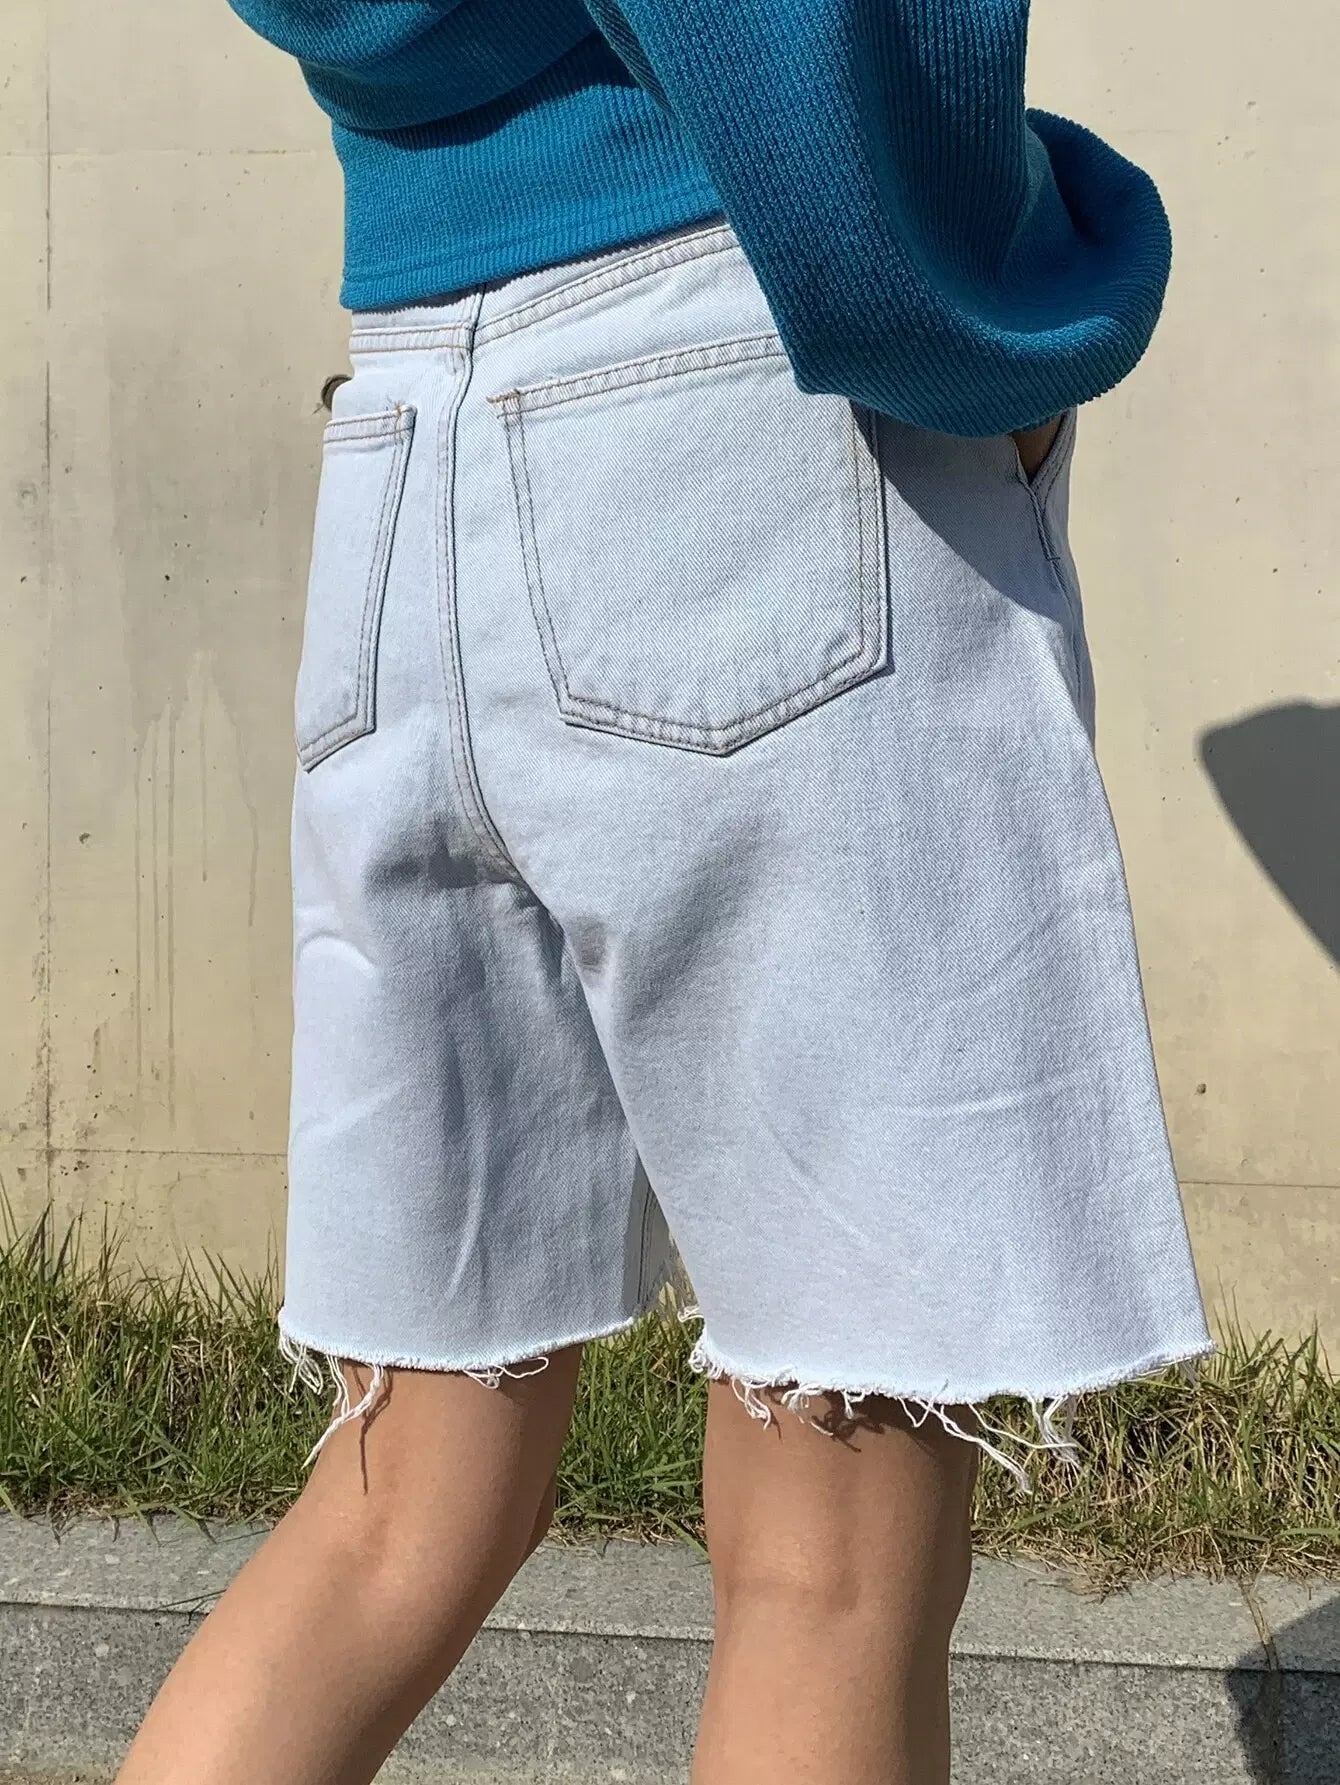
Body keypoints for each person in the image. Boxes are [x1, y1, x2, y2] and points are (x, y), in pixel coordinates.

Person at [118, 4, 1212, 1782]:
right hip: (742, 385)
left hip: (408, 429)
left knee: (399, 1511)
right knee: (832, 1564)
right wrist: (998, 314)